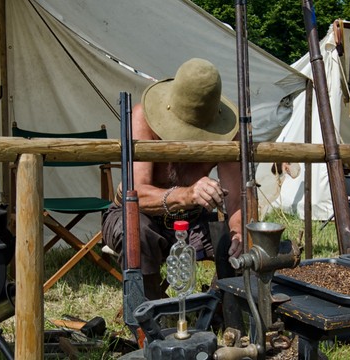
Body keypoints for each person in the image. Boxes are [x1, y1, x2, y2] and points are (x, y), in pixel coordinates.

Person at [102, 58, 244, 300]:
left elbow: (237, 203)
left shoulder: (229, 134)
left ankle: (219, 309)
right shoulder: (142, 119)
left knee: (235, 241)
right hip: (139, 216)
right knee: (138, 232)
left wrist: (238, 233)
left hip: (192, 221)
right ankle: (148, 321)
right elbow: (136, 195)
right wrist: (189, 194)